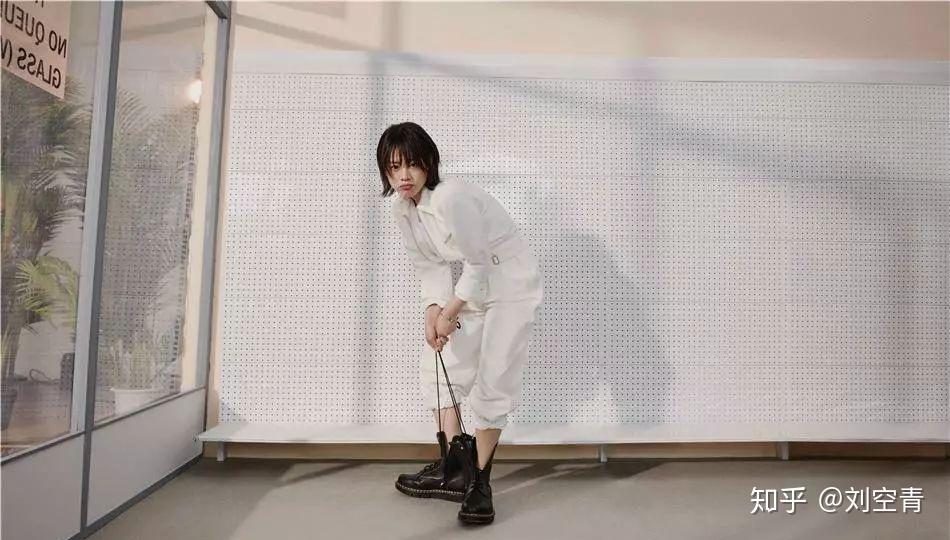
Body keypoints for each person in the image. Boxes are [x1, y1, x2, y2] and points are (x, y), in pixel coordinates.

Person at [376, 122, 544, 525]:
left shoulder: (451, 198)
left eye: (412, 164)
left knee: (493, 381)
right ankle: (455, 468)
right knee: (439, 369)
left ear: (429, 163)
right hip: (475, 288)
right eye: (394, 167)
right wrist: (432, 311)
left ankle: (479, 483)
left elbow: (479, 262)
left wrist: (450, 313)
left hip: (510, 285)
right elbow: (430, 265)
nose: (404, 175)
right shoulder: (403, 208)